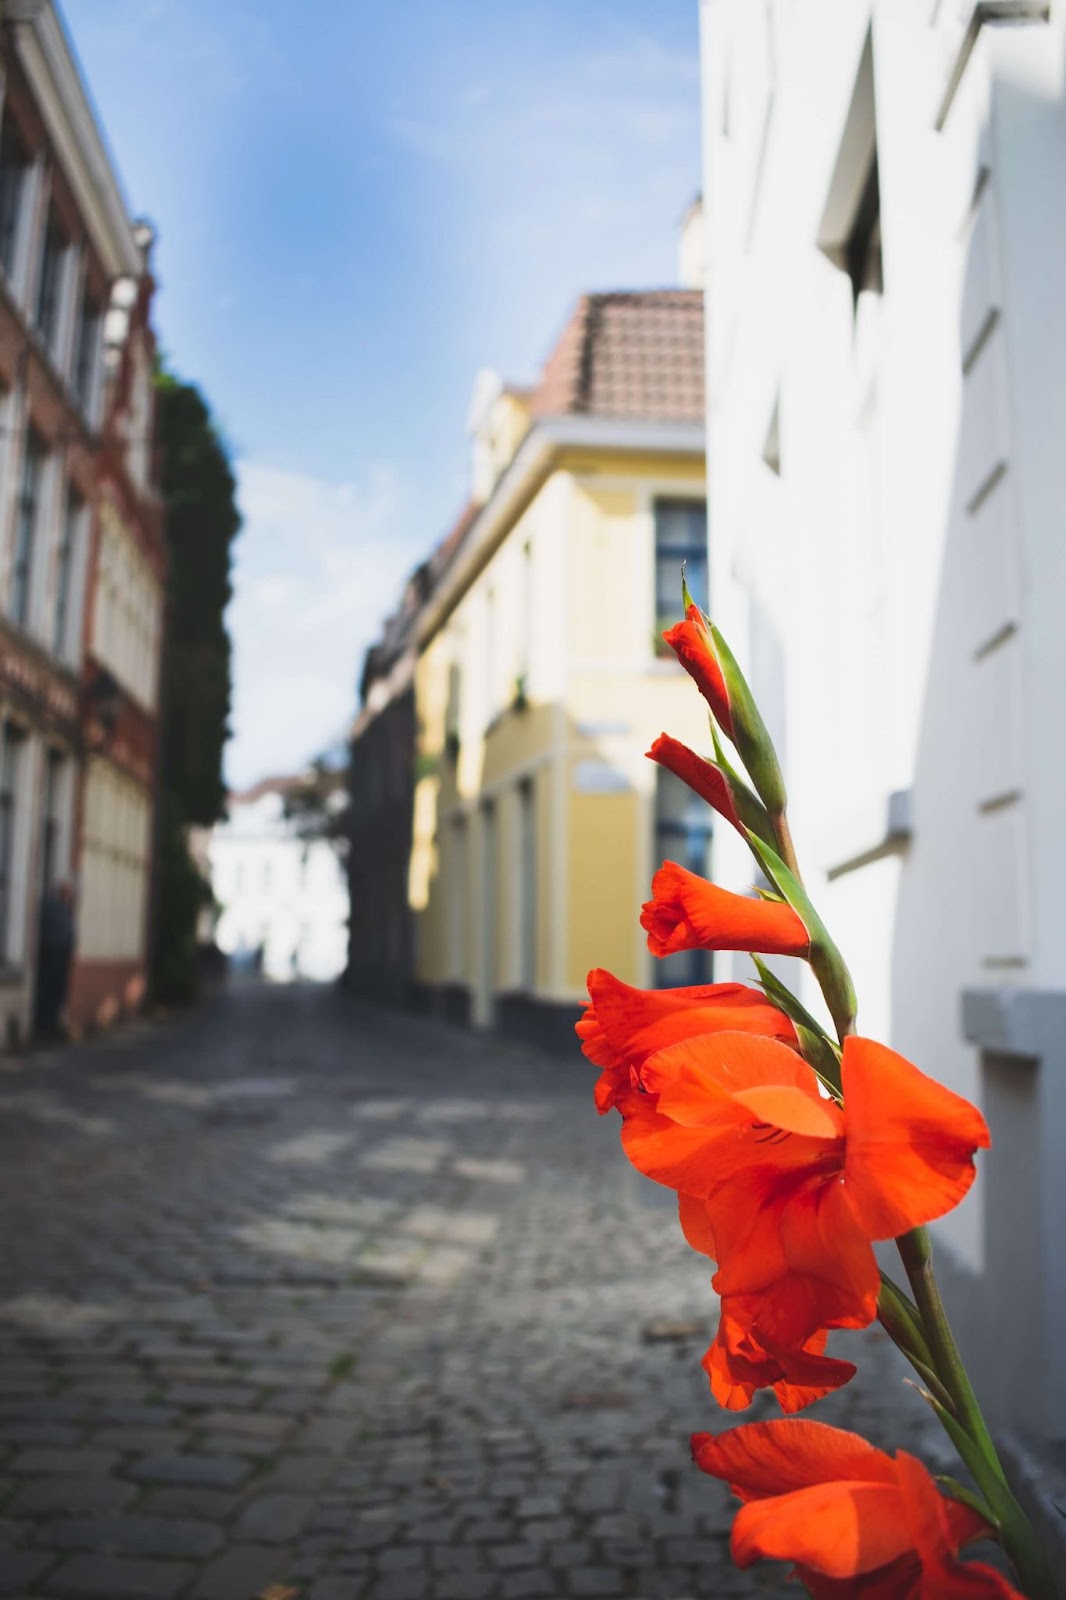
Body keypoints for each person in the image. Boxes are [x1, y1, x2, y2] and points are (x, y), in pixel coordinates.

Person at [35, 879, 76, 1037]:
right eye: (68, 892)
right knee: (49, 991)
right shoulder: (52, 906)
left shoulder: (65, 908)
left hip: (61, 957)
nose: (70, 895)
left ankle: (51, 1024)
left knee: (58, 992)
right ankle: (45, 1025)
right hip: (52, 956)